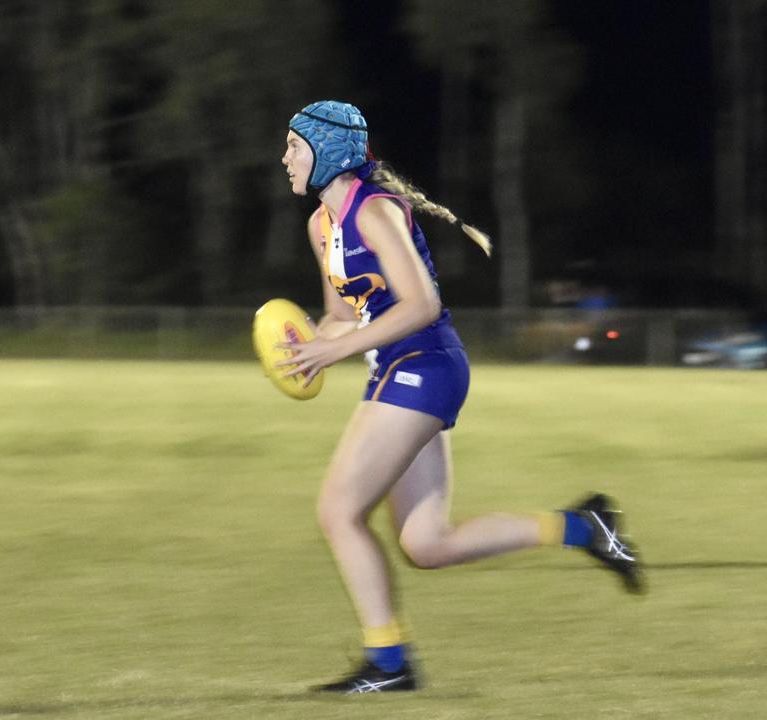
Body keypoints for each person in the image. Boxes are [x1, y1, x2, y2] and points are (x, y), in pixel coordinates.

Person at [275, 100, 643, 694]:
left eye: (294, 145)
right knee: (427, 544)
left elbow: (421, 306)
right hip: (399, 369)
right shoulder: (322, 225)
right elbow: (341, 315)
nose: (285, 157)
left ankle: (390, 664)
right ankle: (583, 527)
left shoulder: (375, 213)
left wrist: (334, 351)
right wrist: (303, 349)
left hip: (427, 363)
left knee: (337, 513)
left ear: (328, 150)